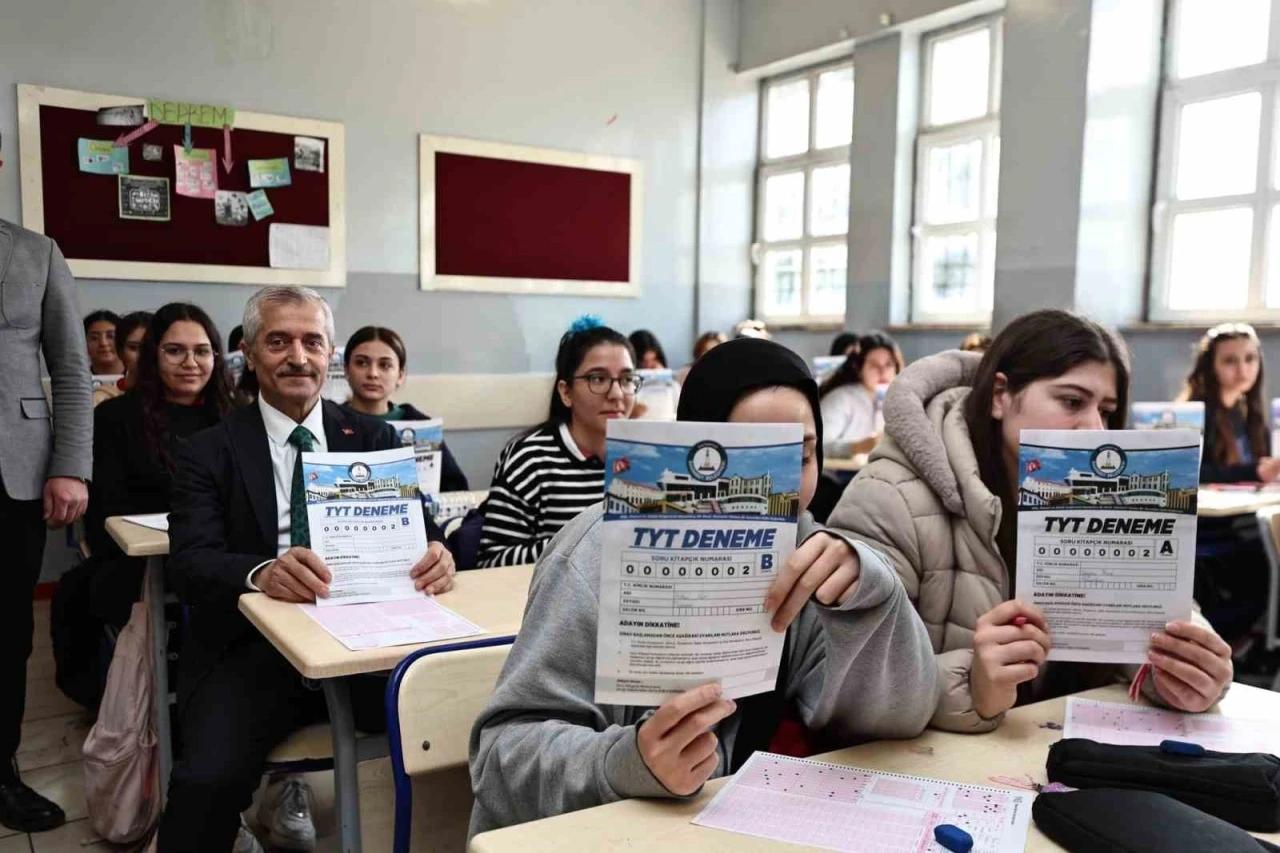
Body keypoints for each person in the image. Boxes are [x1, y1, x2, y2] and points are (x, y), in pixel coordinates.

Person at [468, 337, 938, 835]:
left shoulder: (812, 559)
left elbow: (898, 720)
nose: (774, 491)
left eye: (798, 458)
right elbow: (500, 760)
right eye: (749, 461)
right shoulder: (592, 555)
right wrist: (625, 762)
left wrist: (873, 600)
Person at [828, 310, 1234, 732]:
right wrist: (972, 685)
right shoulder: (889, 497)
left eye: (1106, 411)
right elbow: (845, 691)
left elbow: (1145, 621)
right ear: (1000, 395)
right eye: (1072, 402)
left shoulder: (1100, 495)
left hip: (1061, 750)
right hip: (933, 765)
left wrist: (1184, 668)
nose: (1094, 429)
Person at [159, 286, 457, 853]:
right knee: (206, 780)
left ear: (329, 354)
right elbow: (190, 564)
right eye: (278, 342)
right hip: (251, 648)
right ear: (249, 353)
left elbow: (423, 532)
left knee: (462, 719)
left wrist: (438, 551)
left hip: (366, 644)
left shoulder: (373, 438)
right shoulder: (208, 449)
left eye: (312, 342)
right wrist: (262, 572)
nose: (298, 357)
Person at [0, 138, 93, 833]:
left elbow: (71, 366)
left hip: (15, 474)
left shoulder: (37, 252)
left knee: (7, 632)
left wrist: (70, 464)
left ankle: (1, 770)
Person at [85, 304, 237, 626]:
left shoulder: (238, 415)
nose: (190, 363)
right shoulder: (114, 417)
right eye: (175, 351)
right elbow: (106, 514)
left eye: (202, 351)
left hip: (225, 560)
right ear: (153, 356)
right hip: (142, 566)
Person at [478, 317, 638, 567]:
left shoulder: (647, 456)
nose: (617, 394)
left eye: (627, 380)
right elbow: (492, 561)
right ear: (565, 392)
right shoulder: (530, 458)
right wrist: (586, 544)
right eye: (598, 379)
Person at [341, 325, 468, 491]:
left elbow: (455, 488)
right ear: (346, 370)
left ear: (400, 375)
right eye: (362, 363)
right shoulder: (328, 420)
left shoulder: (420, 425)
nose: (373, 373)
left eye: (385, 365)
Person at [1178, 323, 1278, 484]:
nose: (1242, 370)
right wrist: (1253, 472)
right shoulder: (1194, 414)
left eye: (1250, 359)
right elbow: (1186, 471)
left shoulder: (1250, 412)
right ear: (1211, 366)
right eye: (1230, 361)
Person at [818, 331, 903, 458]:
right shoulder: (841, 399)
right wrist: (858, 447)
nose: (883, 372)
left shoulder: (899, 399)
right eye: (874, 365)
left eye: (889, 364)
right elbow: (817, 447)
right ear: (859, 368)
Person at [91, 310, 152, 406]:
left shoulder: (176, 397)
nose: (143, 355)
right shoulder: (100, 400)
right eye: (134, 347)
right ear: (120, 352)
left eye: (150, 346)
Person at [84, 309, 124, 376]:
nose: (103, 343)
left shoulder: (139, 378)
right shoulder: (75, 379)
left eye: (111, 336)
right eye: (94, 338)